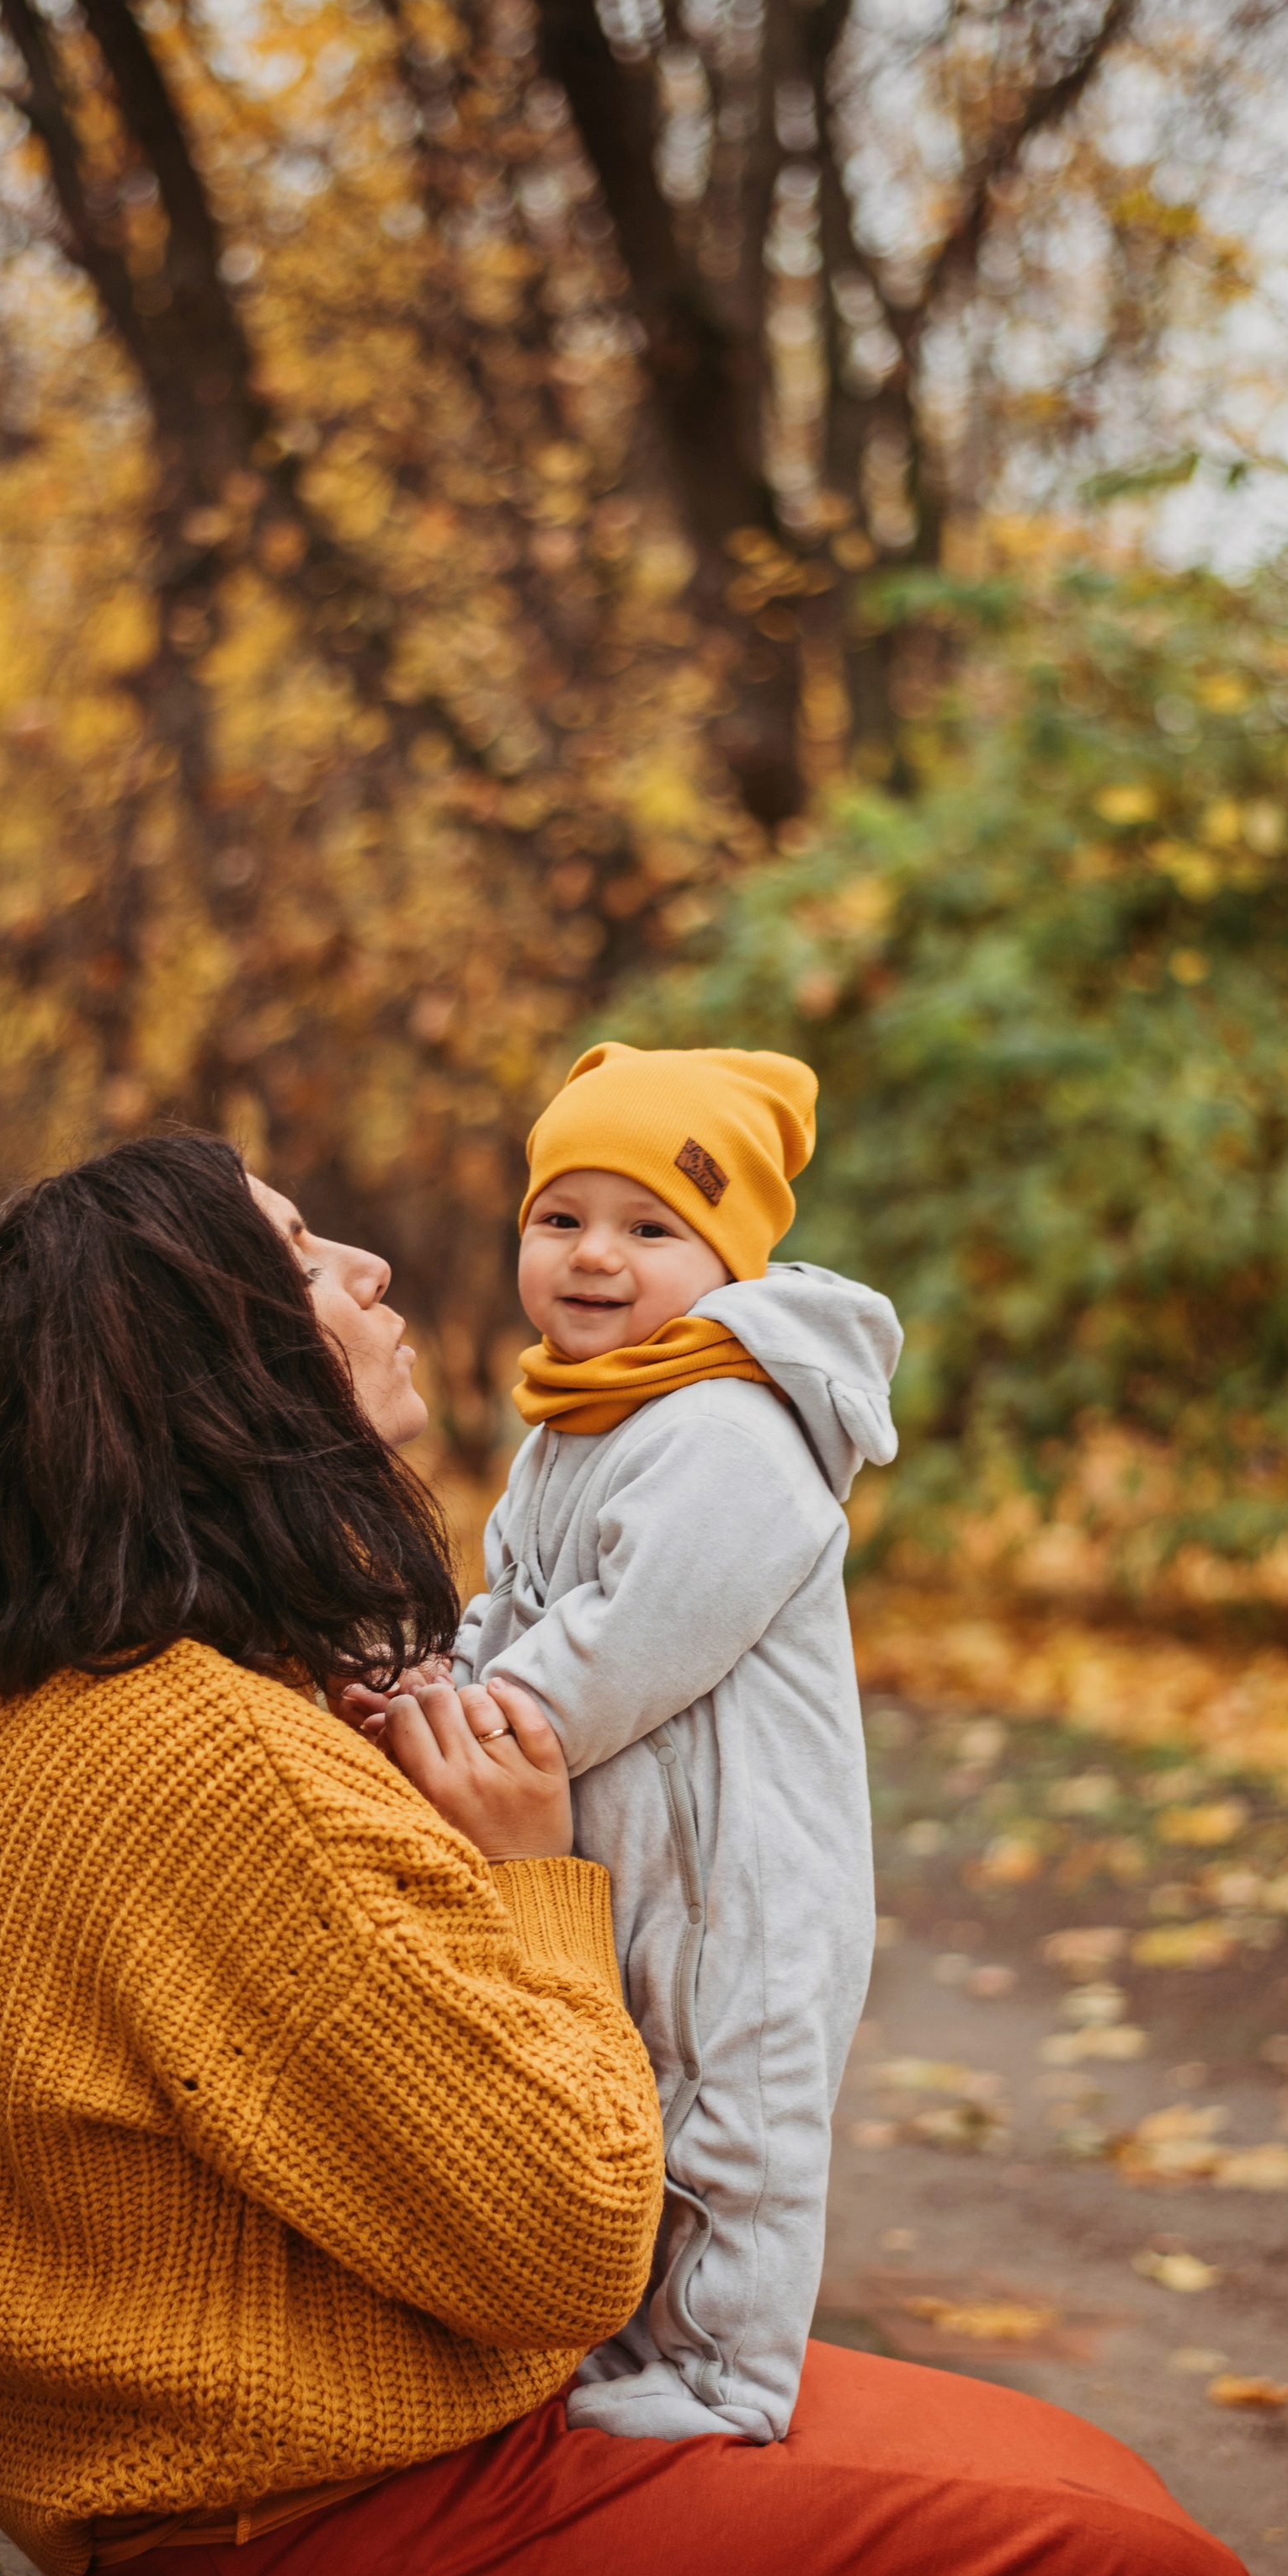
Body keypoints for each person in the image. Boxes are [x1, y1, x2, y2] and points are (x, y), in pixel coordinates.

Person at [0, 1130, 1288, 2576]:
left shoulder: (80, 1691)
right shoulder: (201, 1771)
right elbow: (565, 2242)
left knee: (1091, 2485)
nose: (369, 1267)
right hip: (313, 2558)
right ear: (203, 1364)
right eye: (301, 1258)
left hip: (347, 2462)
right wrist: (540, 1882)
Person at [385, 1040, 899, 2449]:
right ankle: (624, 2352)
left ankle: (735, 2377)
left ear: (727, 1260)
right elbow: (517, 1601)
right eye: (562, 1218)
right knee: (638, 2113)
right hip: (635, 1858)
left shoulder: (733, 1432)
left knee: (738, 2115)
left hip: (750, 1877)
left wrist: (478, 1728)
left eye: (649, 1227)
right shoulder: (579, 1425)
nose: (594, 1256)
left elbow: (625, 1642)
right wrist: (444, 1677)